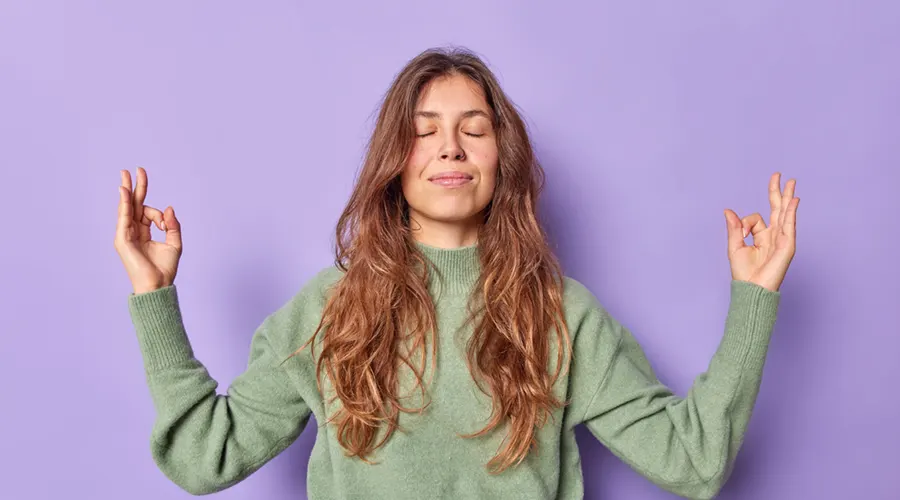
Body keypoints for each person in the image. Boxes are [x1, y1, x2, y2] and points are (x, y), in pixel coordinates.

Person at [114, 47, 799, 499]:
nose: (449, 146)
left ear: (502, 156)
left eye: (474, 128)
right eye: (424, 128)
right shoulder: (327, 310)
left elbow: (696, 460)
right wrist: (154, 295)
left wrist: (755, 298)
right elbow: (204, 458)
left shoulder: (563, 313)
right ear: (394, 158)